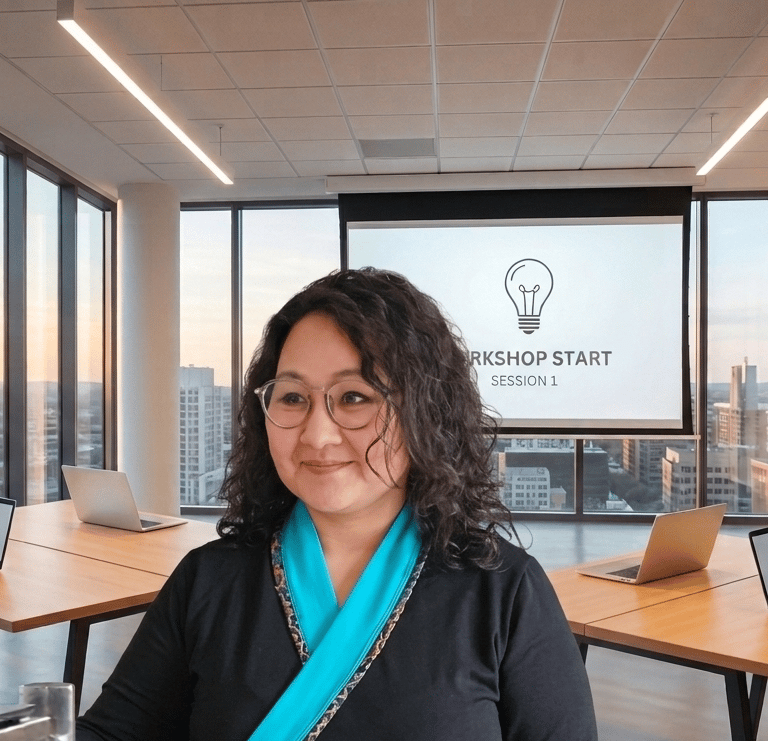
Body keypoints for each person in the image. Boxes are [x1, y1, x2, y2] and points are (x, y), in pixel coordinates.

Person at [77, 268, 598, 741]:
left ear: (425, 412)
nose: (318, 434)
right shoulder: (207, 582)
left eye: (354, 397)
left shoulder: (504, 592)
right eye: (292, 397)